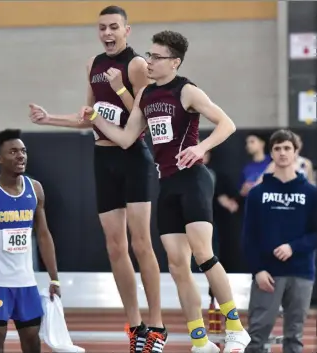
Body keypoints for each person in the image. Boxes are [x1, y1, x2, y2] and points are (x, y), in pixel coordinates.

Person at [79, 30, 251, 353]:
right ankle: (200, 341)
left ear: (174, 62)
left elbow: (227, 123)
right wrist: (96, 118)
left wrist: (201, 148)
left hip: (193, 180)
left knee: (203, 254)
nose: (149, 62)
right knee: (175, 265)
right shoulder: (145, 97)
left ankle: (235, 325)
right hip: (167, 185)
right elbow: (128, 139)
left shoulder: (186, 90)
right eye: (149, 55)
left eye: (156, 57)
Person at [29, 6, 166, 353]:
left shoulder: (136, 65)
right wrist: (50, 119)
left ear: (127, 30)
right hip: (102, 157)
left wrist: (120, 89)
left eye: (114, 27)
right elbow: (88, 116)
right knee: (116, 247)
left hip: (133, 156)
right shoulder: (92, 64)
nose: (107, 33)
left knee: (140, 243)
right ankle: (135, 325)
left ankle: (157, 325)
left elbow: (145, 112)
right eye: (102, 27)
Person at [0, 129, 63, 353]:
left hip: (26, 284)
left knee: (32, 343)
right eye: (13, 152)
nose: (21, 156)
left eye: (24, 151)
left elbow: (44, 235)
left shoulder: (35, 189)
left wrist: (54, 279)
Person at [242, 129, 317, 353]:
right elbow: (249, 236)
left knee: (294, 338)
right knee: (257, 336)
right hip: (268, 274)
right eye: (277, 148)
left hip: (301, 272)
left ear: (296, 153)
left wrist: (293, 247)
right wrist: (258, 270)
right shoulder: (258, 194)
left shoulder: (311, 193)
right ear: (271, 153)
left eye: (287, 148)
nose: (282, 153)